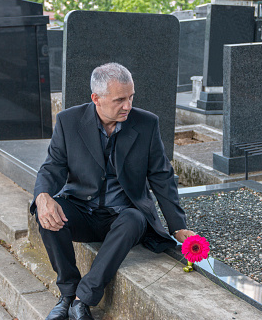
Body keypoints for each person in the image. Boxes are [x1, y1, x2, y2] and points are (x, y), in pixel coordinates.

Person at [31, 62, 196, 320]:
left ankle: (82, 300)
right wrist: (42, 197)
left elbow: (162, 177)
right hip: (82, 209)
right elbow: (52, 167)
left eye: (131, 97)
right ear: (96, 98)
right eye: (120, 99)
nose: (127, 106)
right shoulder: (68, 121)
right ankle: (67, 291)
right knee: (49, 217)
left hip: (121, 217)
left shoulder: (146, 124)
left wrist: (178, 225)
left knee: (135, 219)